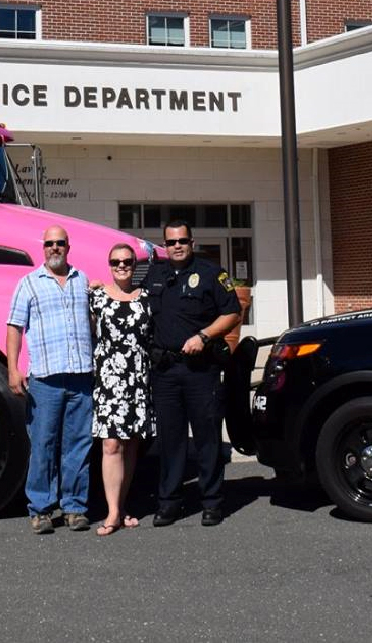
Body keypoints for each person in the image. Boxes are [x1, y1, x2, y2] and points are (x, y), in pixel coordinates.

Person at [143, 221, 241, 526]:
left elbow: (233, 312)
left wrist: (204, 336)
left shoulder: (212, 274)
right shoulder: (153, 275)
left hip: (201, 371)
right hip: (165, 370)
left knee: (206, 437)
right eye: (171, 242)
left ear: (192, 241)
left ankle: (212, 502)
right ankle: (169, 503)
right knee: (170, 440)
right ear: (164, 244)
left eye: (182, 240)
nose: (177, 246)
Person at [5, 225, 95, 533]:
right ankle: (41, 509)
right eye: (49, 244)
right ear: (43, 248)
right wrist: (12, 369)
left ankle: (74, 507)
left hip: (82, 377)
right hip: (45, 380)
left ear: (68, 246)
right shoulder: (28, 284)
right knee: (43, 444)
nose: (54, 248)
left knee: (78, 445)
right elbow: (15, 327)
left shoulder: (82, 281)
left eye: (60, 243)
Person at [89, 241, 155, 535]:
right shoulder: (96, 297)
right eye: (116, 262)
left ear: (134, 264)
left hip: (138, 378)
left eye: (127, 261)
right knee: (111, 443)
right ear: (109, 264)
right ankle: (112, 512)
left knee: (130, 444)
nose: (121, 266)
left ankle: (122, 505)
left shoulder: (147, 299)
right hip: (108, 379)